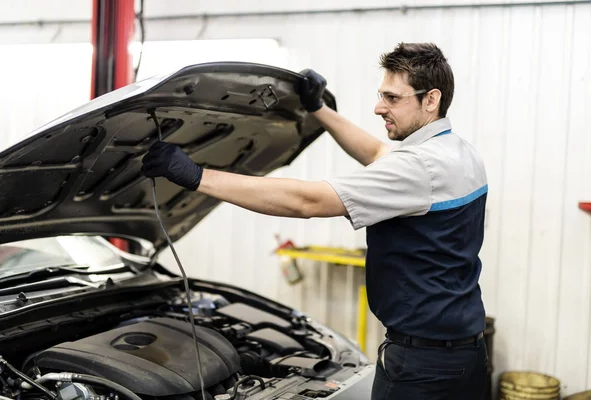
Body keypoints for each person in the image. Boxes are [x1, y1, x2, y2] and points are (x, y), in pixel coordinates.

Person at [142, 42, 488, 400]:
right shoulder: (457, 152)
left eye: (392, 98)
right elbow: (376, 153)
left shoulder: (419, 168)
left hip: (422, 367)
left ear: (431, 100)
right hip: (463, 355)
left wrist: (198, 177)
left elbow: (306, 201)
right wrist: (317, 109)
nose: (378, 107)